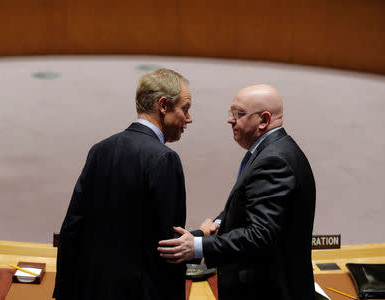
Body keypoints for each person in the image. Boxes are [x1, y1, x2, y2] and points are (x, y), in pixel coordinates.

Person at [158, 84, 316, 300]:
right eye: (231, 112)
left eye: (239, 113)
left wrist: (197, 246)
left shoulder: (274, 160)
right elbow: (251, 208)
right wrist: (216, 225)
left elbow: (260, 235)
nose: (230, 120)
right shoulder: (272, 151)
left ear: (264, 120)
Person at [54, 69, 195, 300]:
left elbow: (73, 226)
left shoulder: (100, 150)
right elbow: (168, 246)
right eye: (185, 109)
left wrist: (64, 291)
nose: (189, 119)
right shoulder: (164, 159)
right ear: (163, 105)